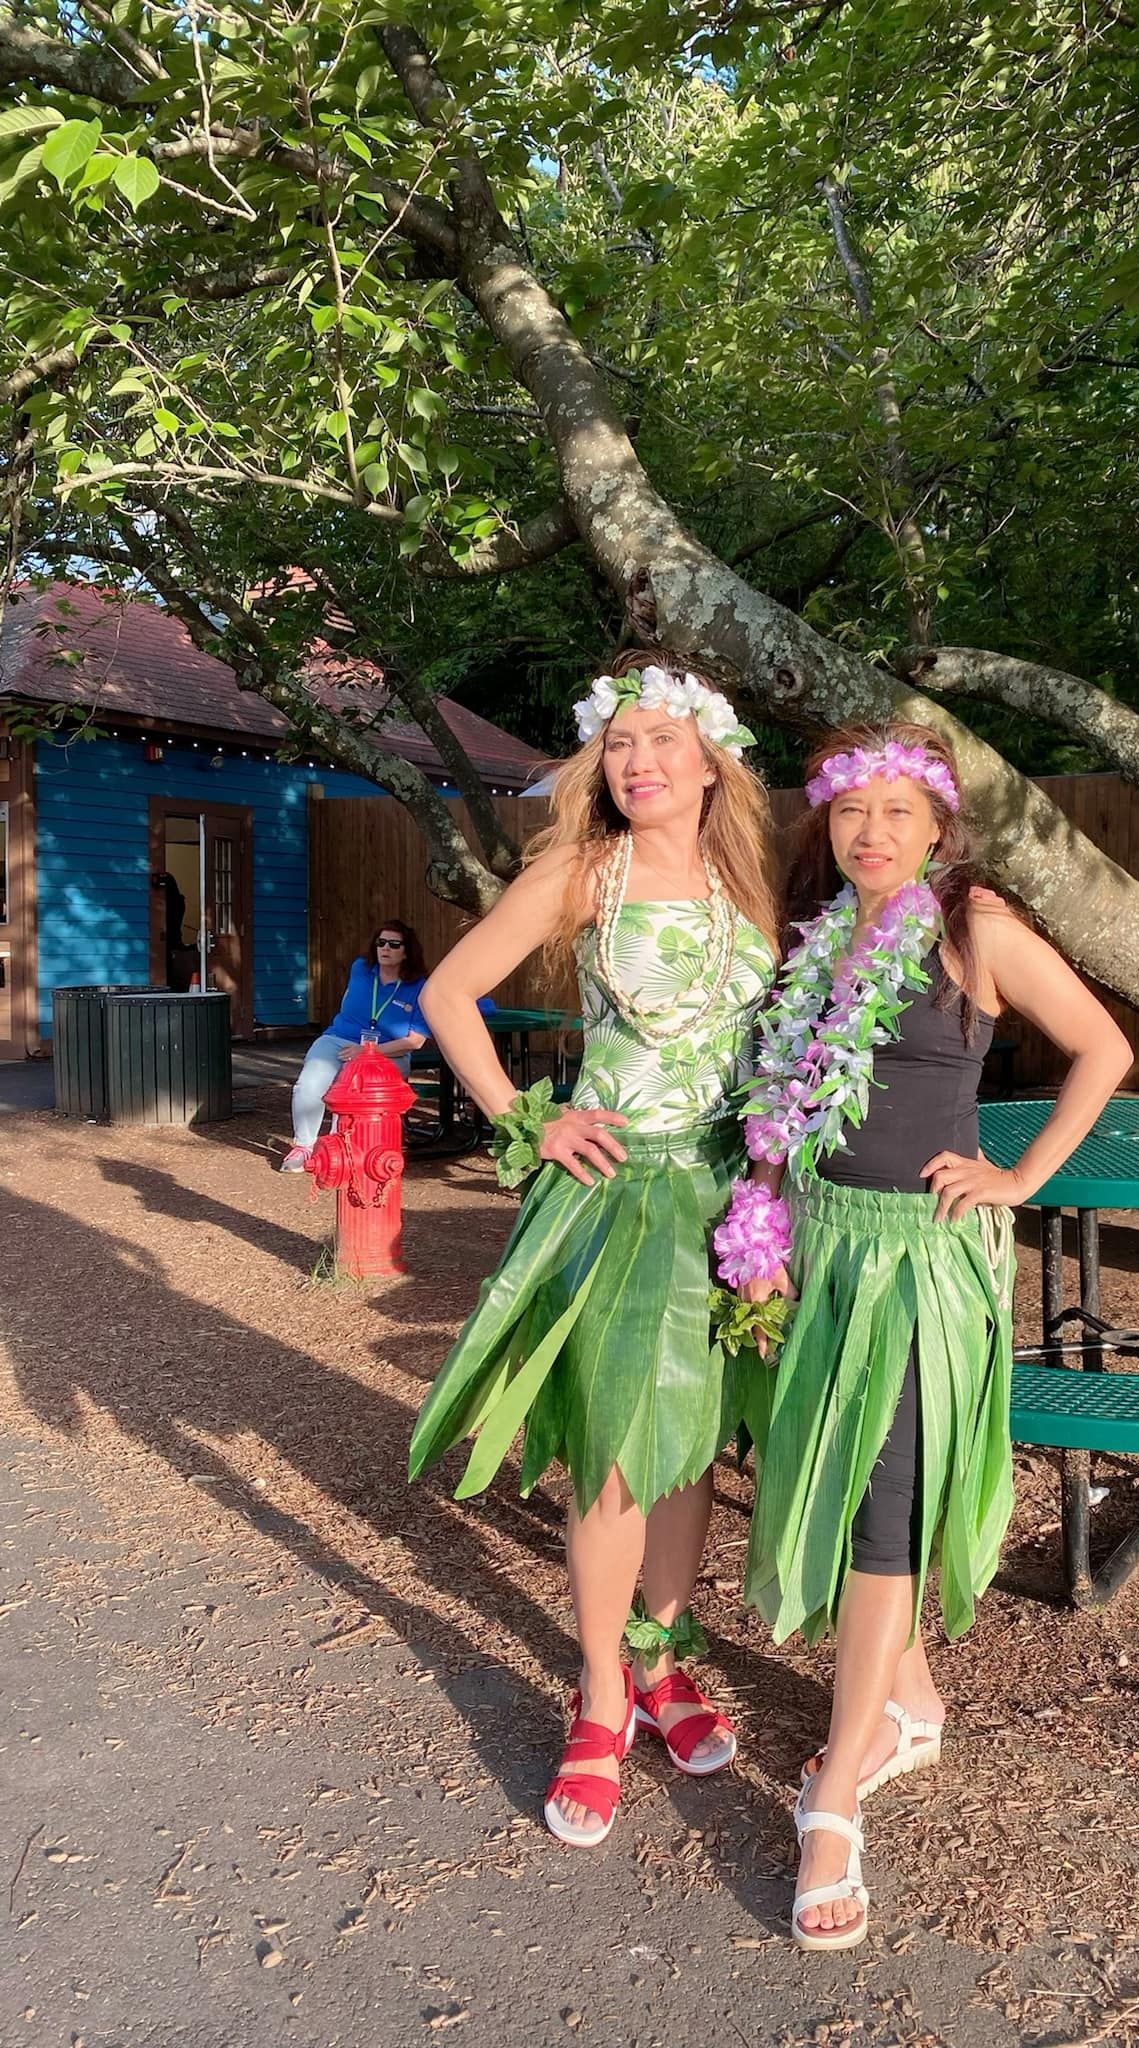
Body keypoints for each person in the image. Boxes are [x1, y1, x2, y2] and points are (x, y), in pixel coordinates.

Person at [725, 722, 1133, 1952]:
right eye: (852, 812)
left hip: (915, 1260)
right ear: (825, 824)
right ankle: (906, 1703)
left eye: (898, 812)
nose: (872, 833)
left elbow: (1103, 1047)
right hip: (822, 1242)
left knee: (882, 1505)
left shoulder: (973, 929)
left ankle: (835, 1796)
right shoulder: (814, 940)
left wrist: (1017, 1176)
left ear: (938, 825)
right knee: (836, 1470)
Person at [407, 651, 779, 1849]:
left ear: (712, 760)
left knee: (688, 1447)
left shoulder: (752, 883)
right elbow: (449, 993)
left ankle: (666, 1659)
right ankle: (603, 1694)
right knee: (620, 1445)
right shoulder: (585, 871)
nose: (638, 760)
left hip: (728, 1195)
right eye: (618, 743)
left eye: (662, 739)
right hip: (620, 1197)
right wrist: (530, 1115)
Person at [280, 921, 430, 1171]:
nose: (385, 948)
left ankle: (339, 1148)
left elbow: (414, 1041)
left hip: (388, 1052)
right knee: (310, 1083)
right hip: (340, 1039)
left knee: (354, 1088)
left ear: (407, 951)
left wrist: (368, 1052)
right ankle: (304, 1146)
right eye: (380, 943)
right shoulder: (361, 968)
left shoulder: (419, 986)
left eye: (394, 944)